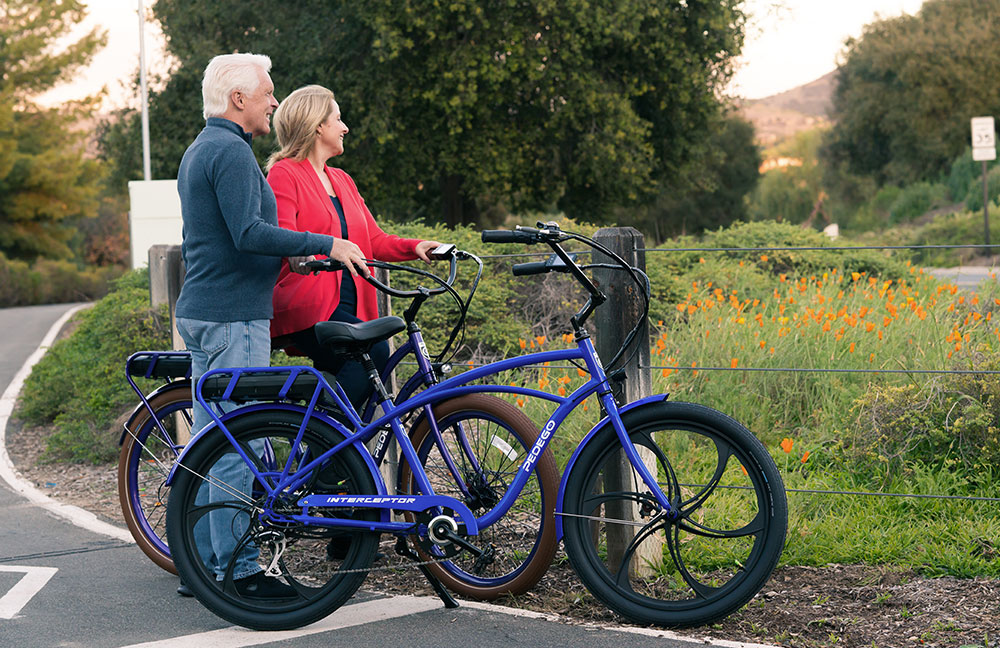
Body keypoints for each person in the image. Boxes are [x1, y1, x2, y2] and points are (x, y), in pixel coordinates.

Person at [173, 54, 353, 599]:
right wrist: (325, 244)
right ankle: (241, 572)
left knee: (211, 442)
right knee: (237, 447)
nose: (274, 102)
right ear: (238, 100)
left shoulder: (202, 148)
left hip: (207, 309)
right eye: (267, 93)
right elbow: (250, 232)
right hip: (232, 318)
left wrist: (289, 259)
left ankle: (202, 567)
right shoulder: (229, 151)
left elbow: (229, 239)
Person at [264, 84, 441, 409]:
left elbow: (373, 241)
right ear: (318, 125)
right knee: (374, 352)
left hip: (348, 306)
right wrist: (325, 248)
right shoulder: (284, 173)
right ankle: (325, 448)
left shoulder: (342, 179)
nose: (345, 127)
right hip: (309, 305)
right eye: (338, 119)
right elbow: (282, 236)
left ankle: (330, 450)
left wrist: (416, 246)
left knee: (365, 384)